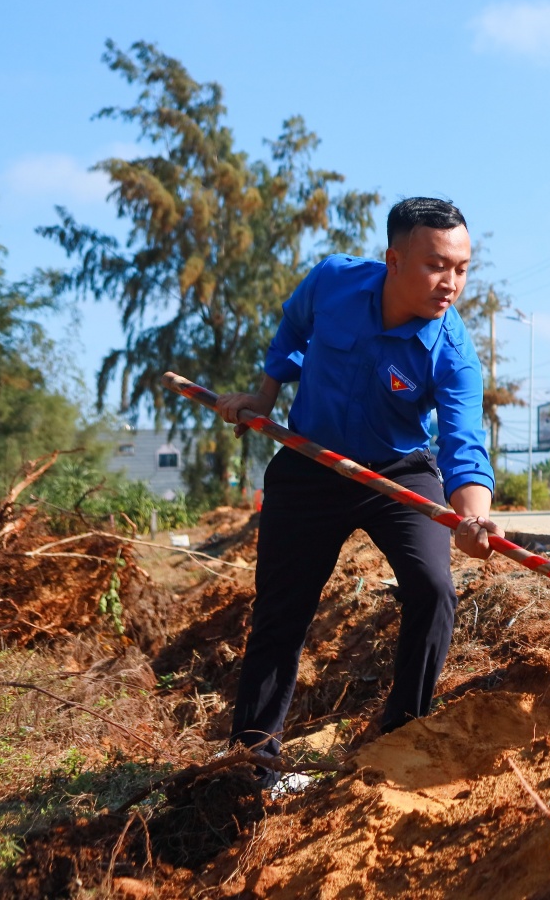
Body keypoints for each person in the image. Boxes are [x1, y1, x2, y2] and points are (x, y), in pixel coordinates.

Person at [213, 197, 500, 782]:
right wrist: (262, 400)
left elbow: (463, 442)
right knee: (281, 611)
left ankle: (400, 739)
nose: (451, 283)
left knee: (433, 588)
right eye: (436, 265)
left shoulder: (453, 350)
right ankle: (251, 765)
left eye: (463, 268)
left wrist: (475, 516)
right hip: (309, 461)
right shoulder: (333, 282)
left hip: (395, 473)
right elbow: (293, 327)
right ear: (393, 259)